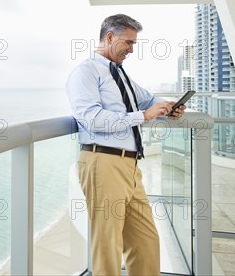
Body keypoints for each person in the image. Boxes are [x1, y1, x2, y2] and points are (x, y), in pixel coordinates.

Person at [66, 14, 185, 276]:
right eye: (128, 43)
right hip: (103, 163)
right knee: (107, 243)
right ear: (109, 37)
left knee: (146, 241)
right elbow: (92, 119)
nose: (132, 49)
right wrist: (144, 115)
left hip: (130, 166)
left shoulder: (120, 75)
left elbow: (148, 98)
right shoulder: (85, 73)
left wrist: (167, 107)